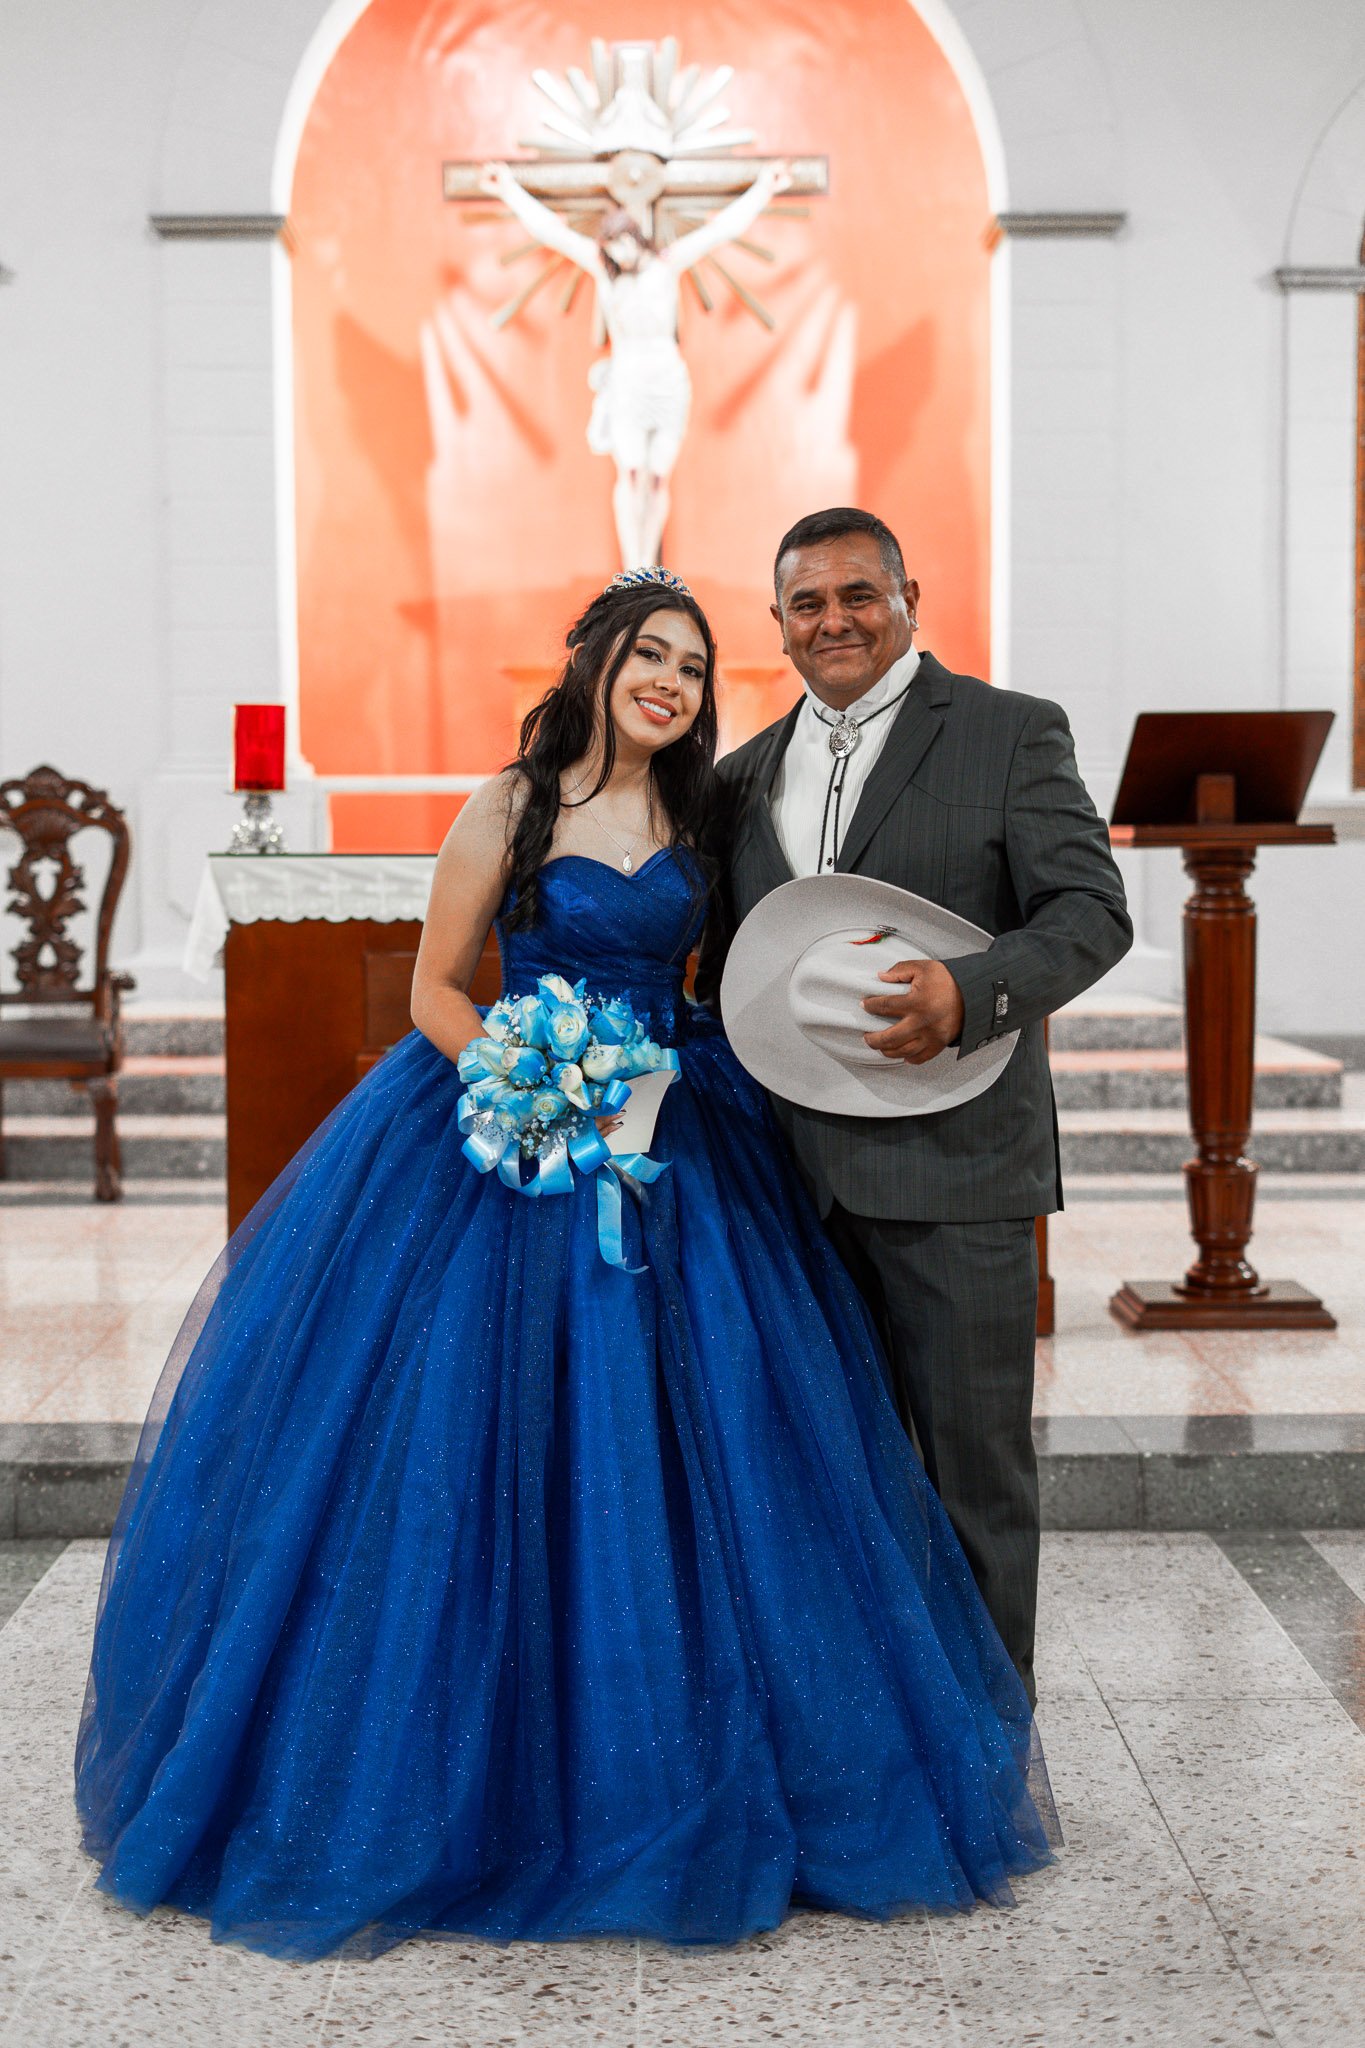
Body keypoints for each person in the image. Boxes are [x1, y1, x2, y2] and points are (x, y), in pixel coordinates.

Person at [75, 567, 1054, 1963]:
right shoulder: (510, 805)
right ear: (596, 660)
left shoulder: (707, 819)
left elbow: (731, 974)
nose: (670, 681)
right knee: (463, 1448)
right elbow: (434, 988)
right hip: (502, 1139)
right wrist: (527, 1078)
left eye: (694, 667)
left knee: (700, 1448)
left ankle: (704, 1765)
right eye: (650, 654)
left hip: (677, 1135)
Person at [698, 509, 1133, 1705]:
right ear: (777, 626)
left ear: (909, 598)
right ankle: (870, 1739)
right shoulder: (736, 780)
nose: (833, 619)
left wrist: (973, 990)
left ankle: (990, 1749)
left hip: (957, 1173)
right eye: (806, 603)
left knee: (970, 1473)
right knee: (826, 1474)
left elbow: (1093, 913)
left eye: (858, 594)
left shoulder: (1007, 733)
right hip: (789, 1192)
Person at [476, 160, 791, 568]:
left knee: (658, 475)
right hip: (627, 380)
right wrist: (509, 190)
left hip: (666, 380)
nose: (616, 255)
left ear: (634, 237)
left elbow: (721, 231)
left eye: (620, 245)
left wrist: (764, 188)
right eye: (609, 249)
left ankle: (649, 563)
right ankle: (633, 565)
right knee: (629, 474)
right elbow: (550, 232)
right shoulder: (605, 273)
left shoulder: (667, 265)